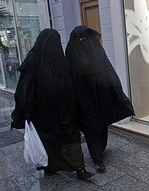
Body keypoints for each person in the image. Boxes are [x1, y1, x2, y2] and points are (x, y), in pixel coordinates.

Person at [11, 28, 95, 180]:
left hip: (64, 110)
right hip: (43, 113)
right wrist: (29, 111)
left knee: (71, 139)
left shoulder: (58, 59)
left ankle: (79, 168)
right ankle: (50, 166)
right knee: (49, 142)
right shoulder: (33, 61)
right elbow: (25, 89)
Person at [66, 25, 134, 173]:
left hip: (100, 95)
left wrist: (116, 93)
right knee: (91, 127)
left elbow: (107, 71)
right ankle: (97, 159)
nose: (83, 42)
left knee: (101, 124)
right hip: (83, 98)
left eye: (85, 39)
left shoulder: (95, 50)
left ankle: (100, 150)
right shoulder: (72, 52)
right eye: (80, 39)